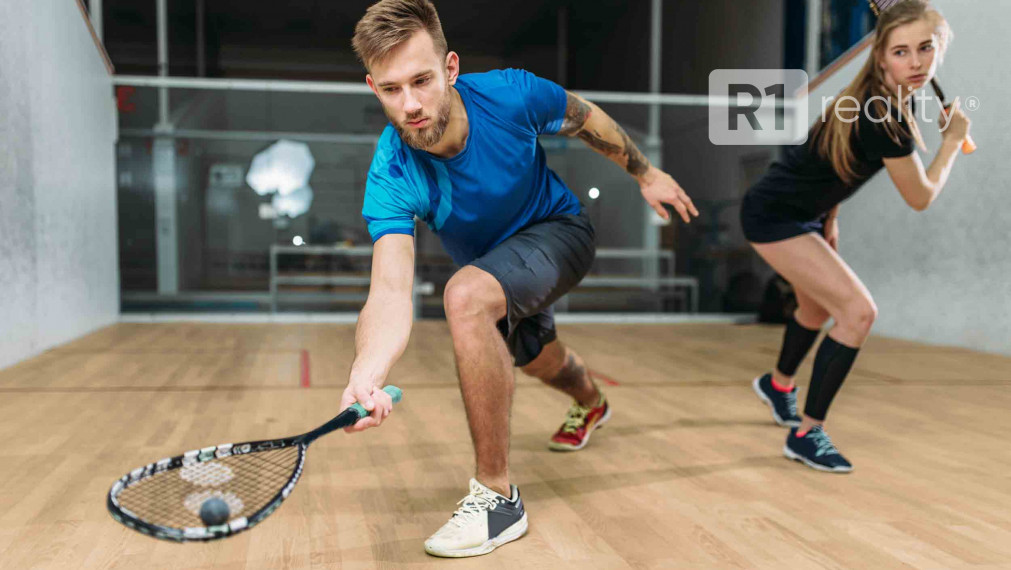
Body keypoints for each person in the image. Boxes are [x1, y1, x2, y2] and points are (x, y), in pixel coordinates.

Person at [341, 0, 697, 558]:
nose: (410, 105)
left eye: (422, 81)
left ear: (451, 68)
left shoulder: (510, 95)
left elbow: (586, 119)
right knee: (535, 356)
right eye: (390, 89)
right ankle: (592, 403)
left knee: (463, 298)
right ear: (372, 87)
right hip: (499, 268)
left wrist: (645, 173)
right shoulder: (393, 170)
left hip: (559, 232)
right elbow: (388, 290)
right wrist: (367, 370)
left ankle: (497, 497)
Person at [743, 0, 969, 473]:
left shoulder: (877, 95)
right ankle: (807, 434)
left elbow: (834, 164)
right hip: (773, 217)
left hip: (806, 214)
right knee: (858, 312)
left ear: (939, 48)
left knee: (816, 308)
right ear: (881, 57)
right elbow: (920, 197)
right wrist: (950, 144)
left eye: (925, 48)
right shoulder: (881, 113)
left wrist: (829, 218)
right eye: (901, 52)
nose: (916, 62)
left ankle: (778, 385)